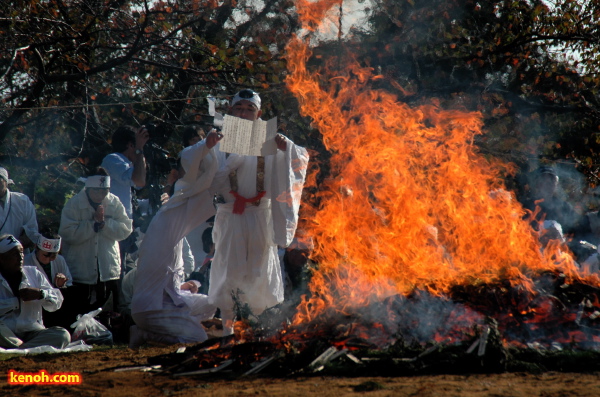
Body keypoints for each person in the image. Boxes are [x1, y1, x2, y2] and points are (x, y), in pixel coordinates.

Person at [208, 89, 309, 335]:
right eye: (239, 108)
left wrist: (287, 148)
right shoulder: (219, 141)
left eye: (249, 109)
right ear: (231, 111)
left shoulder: (270, 139)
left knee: (259, 270)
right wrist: (220, 151)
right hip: (231, 215)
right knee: (230, 270)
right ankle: (228, 330)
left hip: (260, 215)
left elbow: (300, 160)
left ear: (259, 114)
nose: (243, 113)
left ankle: (258, 328)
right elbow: (210, 180)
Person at [130, 130, 222, 347]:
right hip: (151, 308)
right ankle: (146, 334)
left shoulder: (173, 217)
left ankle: (181, 323)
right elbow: (202, 192)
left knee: (210, 304)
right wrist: (205, 148)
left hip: (168, 299)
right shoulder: (170, 215)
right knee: (197, 338)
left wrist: (184, 286)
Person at [59, 167, 132, 317]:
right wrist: (93, 225)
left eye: (104, 191)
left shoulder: (114, 202)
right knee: (81, 307)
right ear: (88, 188)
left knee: (106, 306)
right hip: (81, 265)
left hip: (107, 264)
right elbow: (67, 233)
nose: (100, 195)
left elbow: (125, 229)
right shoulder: (74, 204)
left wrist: (105, 225)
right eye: (96, 191)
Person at [0, 234, 70, 349]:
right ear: (2, 258)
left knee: (63, 335)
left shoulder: (34, 273)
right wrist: (15, 302)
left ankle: (20, 349)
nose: (20, 257)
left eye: (22, 252)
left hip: (33, 332)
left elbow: (57, 302)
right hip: (6, 333)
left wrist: (41, 294)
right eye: (14, 254)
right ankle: (26, 349)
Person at [101, 125, 149, 268]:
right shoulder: (113, 159)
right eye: (137, 145)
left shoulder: (127, 164)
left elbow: (135, 190)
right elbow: (139, 180)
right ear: (130, 144)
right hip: (113, 227)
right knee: (117, 272)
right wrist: (140, 150)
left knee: (126, 271)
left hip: (124, 229)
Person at [23, 228, 75, 329]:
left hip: (56, 306)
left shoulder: (60, 260)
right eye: (46, 255)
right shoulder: (26, 262)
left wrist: (61, 285)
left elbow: (69, 284)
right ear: (36, 248)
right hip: (35, 308)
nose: (49, 259)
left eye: (53, 256)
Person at [0, 166, 39, 250]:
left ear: (6, 182)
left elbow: (32, 231)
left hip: (18, 254)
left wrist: (12, 248)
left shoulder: (22, 201)